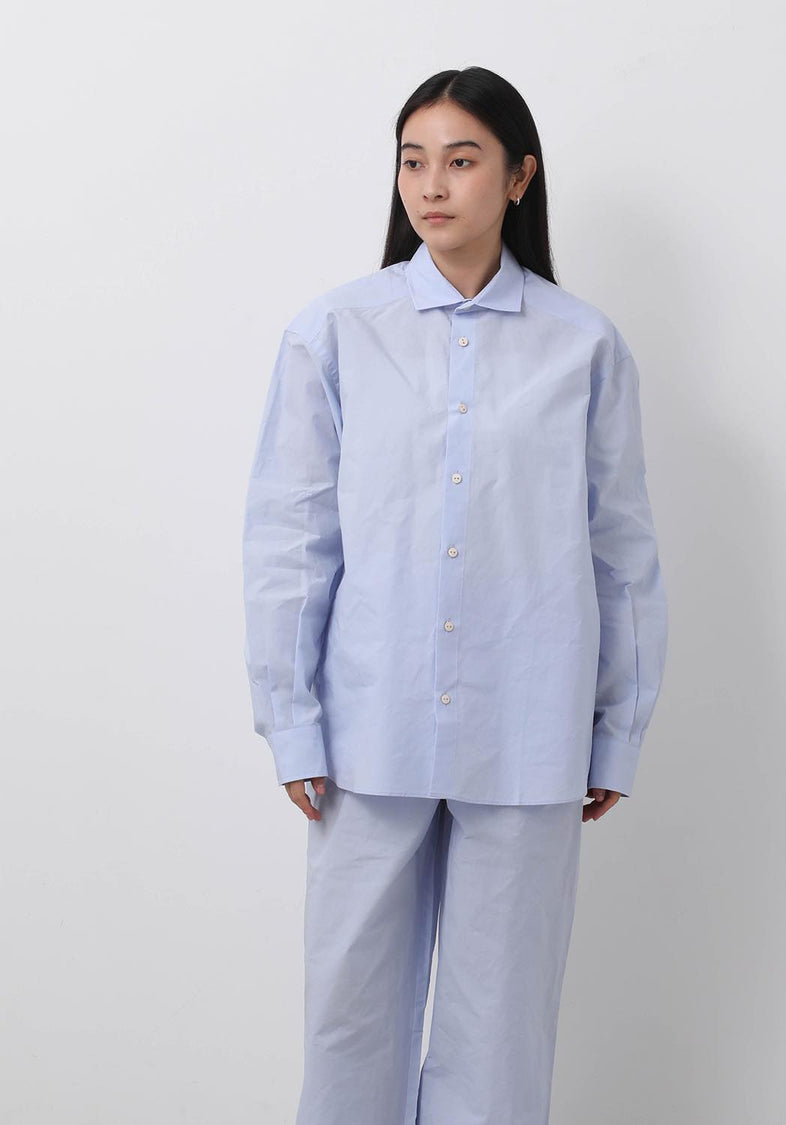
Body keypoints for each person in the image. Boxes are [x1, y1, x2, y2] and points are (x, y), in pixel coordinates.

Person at [241, 65, 669, 1125]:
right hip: (367, 730)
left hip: (528, 730)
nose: (432, 186)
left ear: (519, 177)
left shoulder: (584, 345)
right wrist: (291, 718)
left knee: (499, 1031)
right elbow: (293, 539)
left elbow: (621, 552)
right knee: (349, 1022)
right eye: (414, 161)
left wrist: (615, 730)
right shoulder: (334, 333)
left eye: (462, 160)